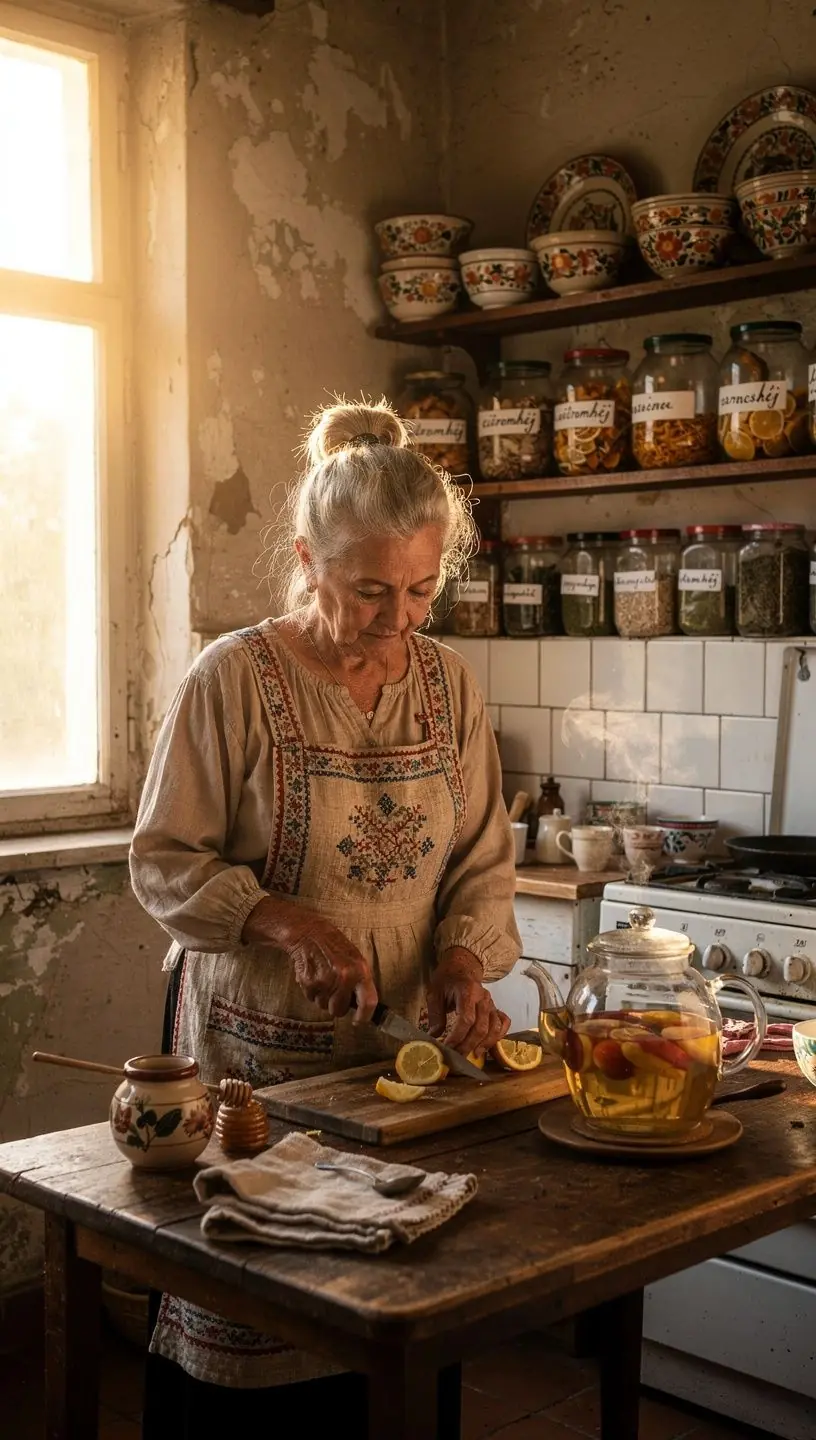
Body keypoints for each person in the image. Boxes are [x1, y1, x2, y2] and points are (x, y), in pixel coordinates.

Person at [130, 397, 521, 1435]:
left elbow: (482, 863)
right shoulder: (233, 680)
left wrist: (464, 968)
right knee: (260, 1329)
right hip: (254, 1067)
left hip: (397, 1074)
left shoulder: (451, 685)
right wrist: (289, 923)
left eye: (421, 591)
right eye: (369, 592)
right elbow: (164, 861)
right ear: (307, 559)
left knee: (396, 1316)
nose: (398, 620)